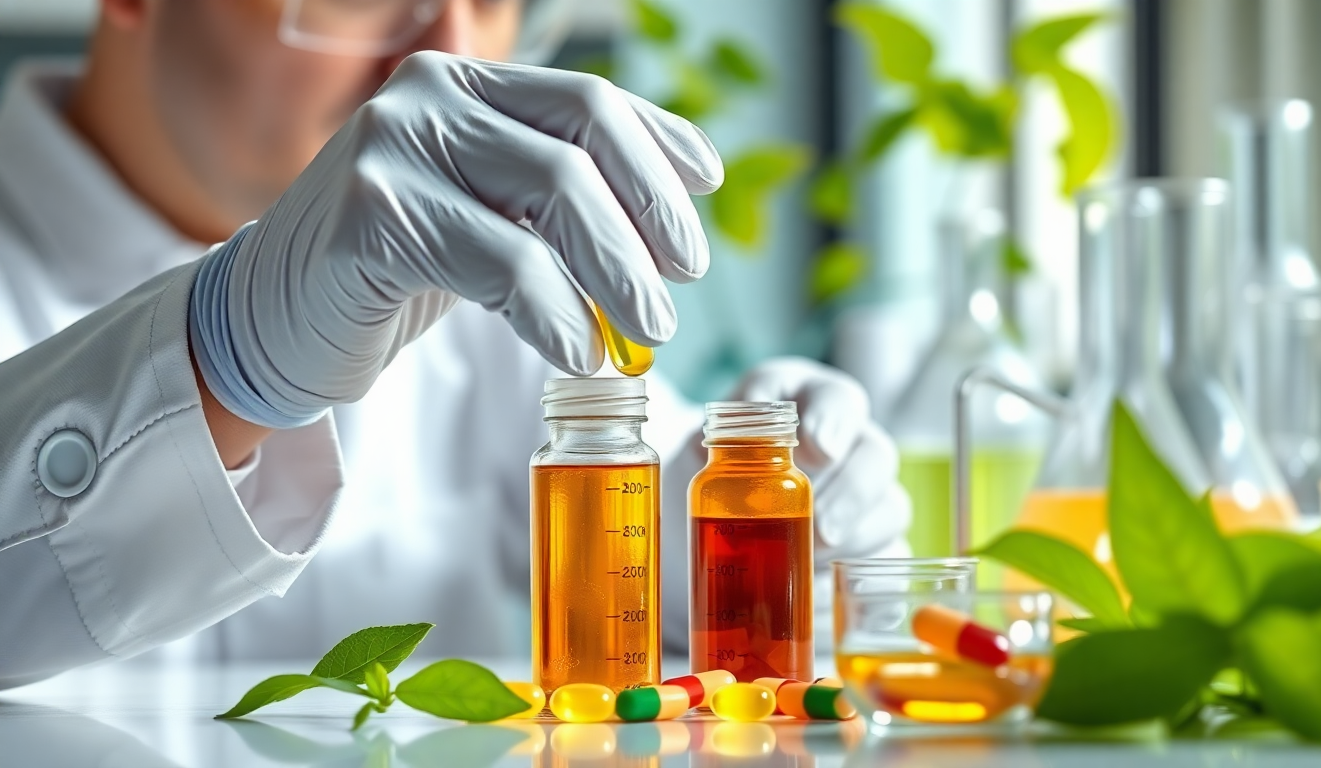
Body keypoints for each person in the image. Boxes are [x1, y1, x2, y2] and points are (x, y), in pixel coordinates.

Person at [0, 0, 910, 689]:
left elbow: (639, 532)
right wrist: (222, 358)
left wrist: (740, 525)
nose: (449, 60)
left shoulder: (481, 285)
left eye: (497, 0)